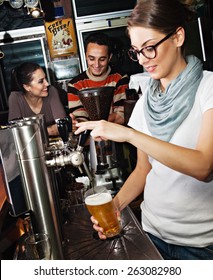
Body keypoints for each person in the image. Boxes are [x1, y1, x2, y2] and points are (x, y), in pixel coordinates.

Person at [75, 0, 213, 260]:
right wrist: (115, 206)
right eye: (136, 51)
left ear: (178, 37)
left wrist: (129, 133)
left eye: (149, 48)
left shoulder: (208, 89)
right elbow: (143, 170)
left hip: (200, 245)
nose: (142, 60)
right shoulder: (146, 101)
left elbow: (203, 166)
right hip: (152, 232)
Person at [67, 32, 129, 125]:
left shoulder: (120, 78)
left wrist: (89, 124)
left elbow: (121, 116)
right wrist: (76, 122)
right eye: (92, 59)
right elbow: (80, 116)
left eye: (102, 59)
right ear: (85, 56)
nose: (96, 65)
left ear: (109, 57)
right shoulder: (75, 85)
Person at [8, 62, 66, 136]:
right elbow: (15, 133)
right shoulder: (15, 98)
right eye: (41, 81)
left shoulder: (51, 90)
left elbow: (63, 126)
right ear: (27, 87)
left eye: (45, 79)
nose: (47, 84)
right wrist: (50, 130)